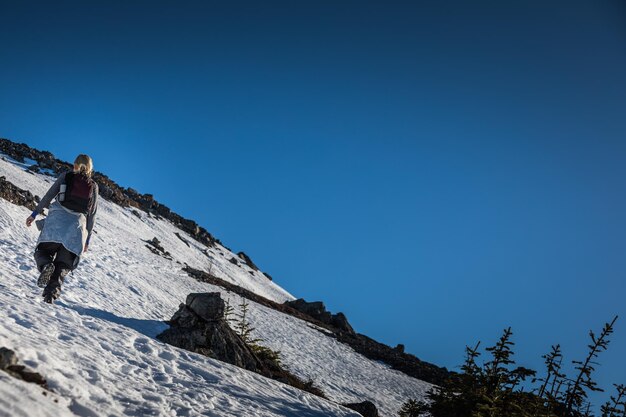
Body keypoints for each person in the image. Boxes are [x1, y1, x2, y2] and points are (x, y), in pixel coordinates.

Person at [25, 154, 99, 303]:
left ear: (75, 165)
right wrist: (87, 240)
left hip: (56, 225)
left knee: (42, 252)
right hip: (76, 232)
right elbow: (92, 216)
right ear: (90, 168)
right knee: (63, 266)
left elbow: (48, 197)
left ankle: (46, 265)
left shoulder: (66, 177)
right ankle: (50, 296)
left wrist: (34, 214)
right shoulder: (94, 186)